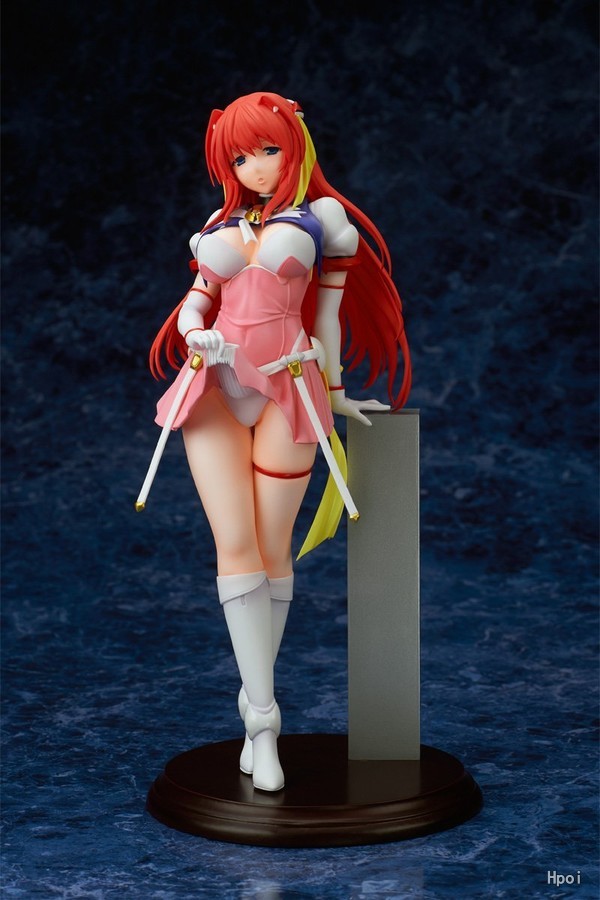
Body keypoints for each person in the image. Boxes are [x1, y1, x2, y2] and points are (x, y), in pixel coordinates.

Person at [148, 92, 411, 791]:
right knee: (234, 545)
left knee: (271, 550)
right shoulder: (218, 224)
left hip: (287, 388)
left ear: (296, 146)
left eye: (268, 150)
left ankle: (254, 712)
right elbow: (197, 302)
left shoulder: (324, 220)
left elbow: (325, 320)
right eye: (240, 157)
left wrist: (334, 391)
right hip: (213, 388)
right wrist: (195, 334)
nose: (256, 167)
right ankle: (263, 720)